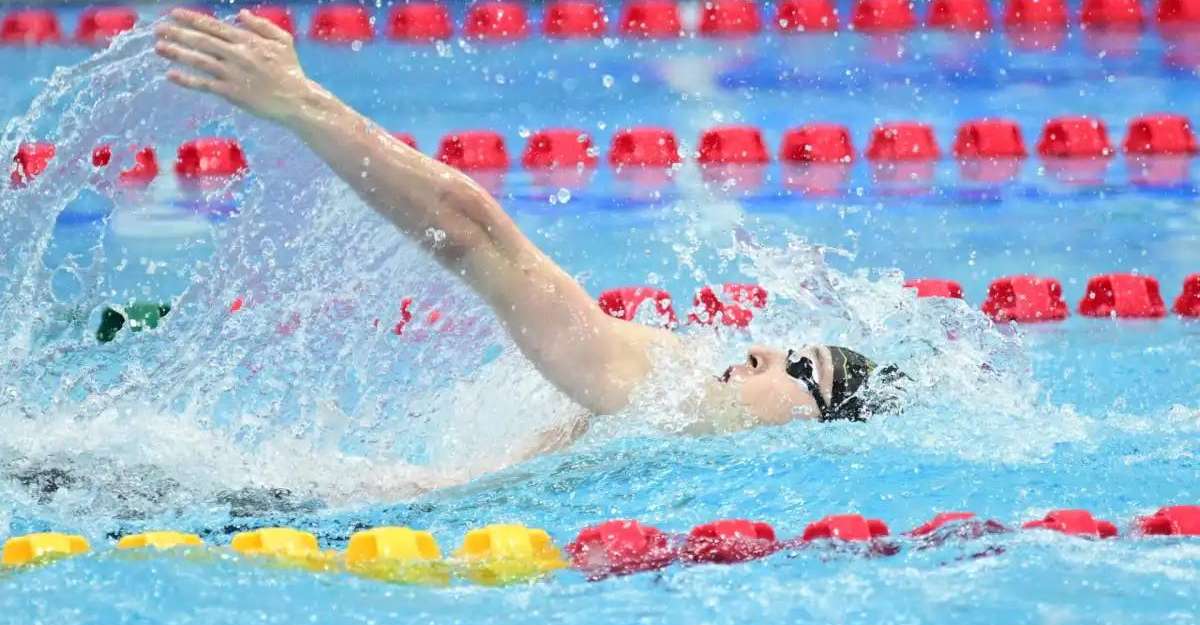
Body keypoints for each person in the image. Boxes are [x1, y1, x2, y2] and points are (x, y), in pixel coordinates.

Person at [152, 10, 904, 449]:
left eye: (802, 371)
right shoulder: (664, 389)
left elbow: (475, 232)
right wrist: (300, 103)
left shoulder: (681, 422)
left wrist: (302, 102)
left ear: (821, 437)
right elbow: (477, 237)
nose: (761, 347)